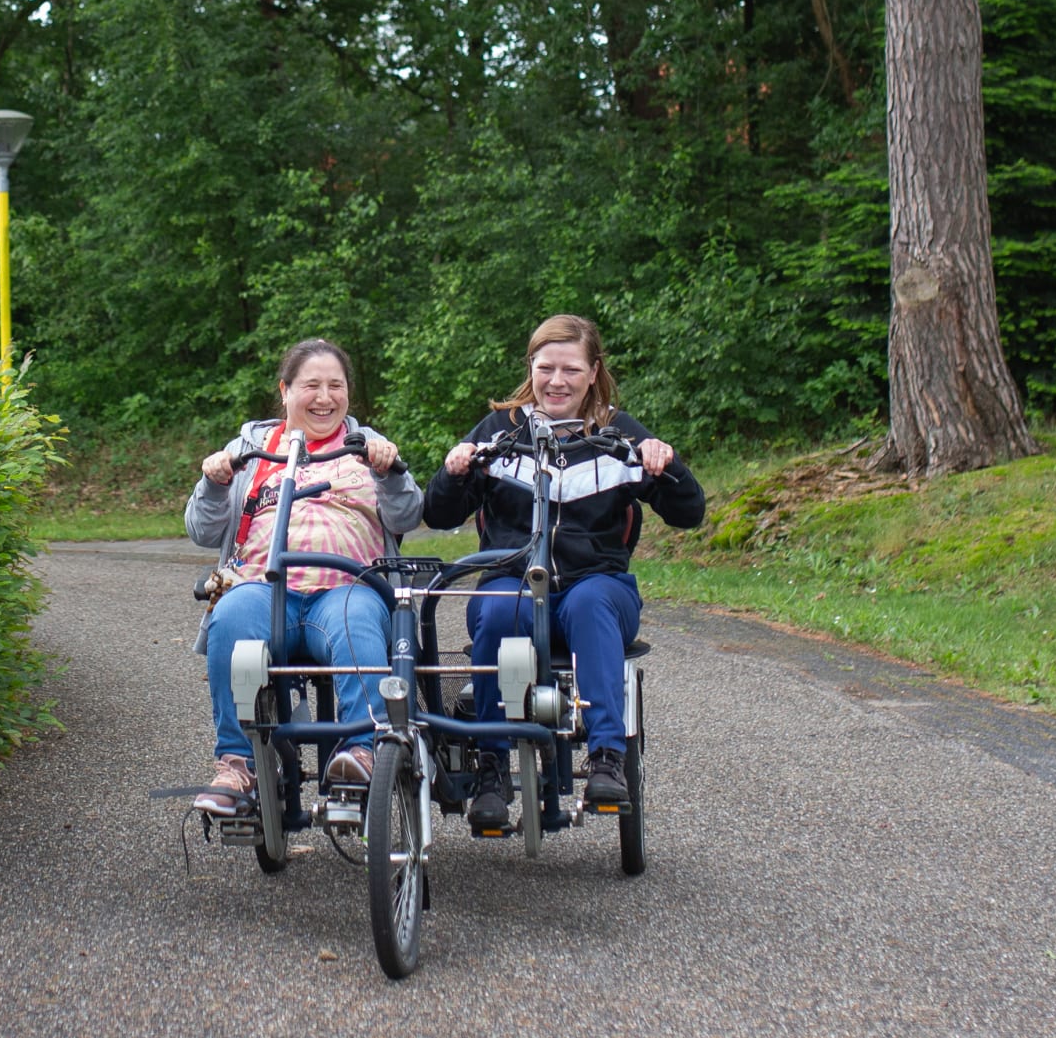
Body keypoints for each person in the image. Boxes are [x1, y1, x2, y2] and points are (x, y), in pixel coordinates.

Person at [423, 314, 705, 830]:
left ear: (593, 372)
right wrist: (454, 470)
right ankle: (491, 768)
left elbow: (690, 513)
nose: (557, 381)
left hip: (596, 585)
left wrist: (668, 463)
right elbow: (438, 515)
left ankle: (606, 759)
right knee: (498, 607)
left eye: (571, 369)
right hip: (514, 582)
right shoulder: (499, 433)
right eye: (545, 367)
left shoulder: (618, 433)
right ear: (530, 368)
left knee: (590, 602)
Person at [186, 339, 423, 815]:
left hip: (346, 588)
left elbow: (409, 514)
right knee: (228, 617)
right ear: (285, 391)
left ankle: (360, 751)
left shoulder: (367, 447)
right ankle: (236, 764)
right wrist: (214, 484)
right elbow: (200, 530)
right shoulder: (251, 450)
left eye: (336, 385)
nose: (324, 397)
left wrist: (392, 473)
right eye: (311, 385)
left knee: (357, 619)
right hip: (264, 589)